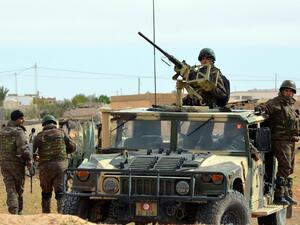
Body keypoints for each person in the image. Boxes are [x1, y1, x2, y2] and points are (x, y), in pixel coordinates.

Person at [255, 80, 299, 205]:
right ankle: (278, 196)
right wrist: (260, 108)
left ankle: (285, 194)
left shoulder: (289, 105)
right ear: (281, 91)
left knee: (288, 169)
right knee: (285, 167)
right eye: (286, 90)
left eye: (291, 91)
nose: (288, 93)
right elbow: (265, 107)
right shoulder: (276, 103)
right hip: (280, 140)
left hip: (290, 140)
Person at [33, 114, 76, 213]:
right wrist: (64, 151)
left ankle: (46, 216)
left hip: (45, 168)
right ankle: (61, 216)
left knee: (46, 193)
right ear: (54, 123)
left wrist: (36, 157)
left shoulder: (39, 136)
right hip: (60, 167)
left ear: (44, 124)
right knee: (60, 193)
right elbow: (72, 147)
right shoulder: (62, 133)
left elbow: (32, 152)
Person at [0, 110, 32, 214]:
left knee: (10, 187)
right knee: (18, 189)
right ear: (18, 119)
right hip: (16, 164)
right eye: (22, 118)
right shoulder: (19, 131)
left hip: (4, 164)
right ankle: (18, 213)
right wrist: (29, 161)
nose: (24, 120)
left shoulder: (2, 131)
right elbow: (23, 149)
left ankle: (13, 212)